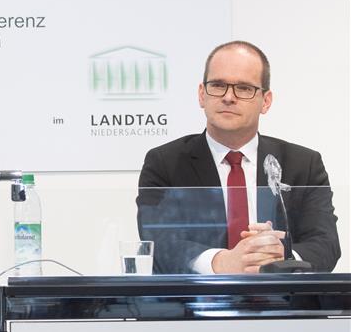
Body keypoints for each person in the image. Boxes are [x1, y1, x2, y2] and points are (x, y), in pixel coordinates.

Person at [136, 41, 340, 274]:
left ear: (266, 101)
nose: (228, 97)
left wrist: (283, 256)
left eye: (244, 88)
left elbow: (326, 243)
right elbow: (158, 241)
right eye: (218, 85)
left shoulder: (303, 164)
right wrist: (221, 261)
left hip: (284, 305)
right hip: (198, 304)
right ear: (202, 95)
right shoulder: (164, 162)